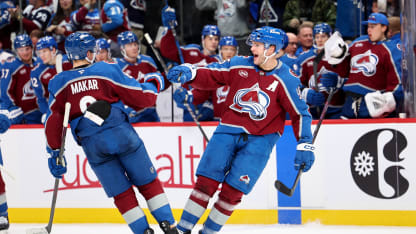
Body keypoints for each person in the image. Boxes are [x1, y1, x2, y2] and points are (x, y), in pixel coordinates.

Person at [167, 26, 315, 234]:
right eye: (252, 44)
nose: (251, 48)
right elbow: (213, 74)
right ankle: (183, 229)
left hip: (261, 140)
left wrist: (305, 143)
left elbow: (301, 114)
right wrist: (191, 73)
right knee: (205, 183)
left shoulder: (287, 79)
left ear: (272, 49)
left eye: (257, 45)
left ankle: (208, 232)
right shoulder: (239, 65)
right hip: (228, 130)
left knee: (233, 192)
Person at [44, 32, 178, 234]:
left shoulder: (58, 82)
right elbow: (141, 99)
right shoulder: (106, 69)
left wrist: (54, 152)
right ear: (89, 52)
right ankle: (169, 226)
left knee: (121, 194)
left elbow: (53, 122)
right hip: (121, 134)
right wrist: (153, 84)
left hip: (93, 145)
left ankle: (143, 231)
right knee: (148, 183)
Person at [324, 13, 403, 119]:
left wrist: (389, 100)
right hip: (349, 101)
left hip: (372, 103)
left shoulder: (391, 49)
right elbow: (344, 68)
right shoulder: (358, 42)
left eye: (373, 27)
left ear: (384, 28)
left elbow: (397, 81)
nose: (369, 30)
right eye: (368, 26)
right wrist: (337, 56)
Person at [173, 36, 239, 121]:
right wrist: (189, 96)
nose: (229, 52)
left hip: (240, 120)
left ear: (236, 51)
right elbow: (203, 92)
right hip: (219, 121)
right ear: (220, 50)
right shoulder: (215, 69)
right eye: (225, 49)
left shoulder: (244, 69)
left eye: (232, 49)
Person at [296, 23, 345, 119]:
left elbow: (351, 80)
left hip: (336, 110)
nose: (320, 40)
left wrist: (341, 81)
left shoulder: (341, 57)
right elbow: (295, 84)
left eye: (323, 36)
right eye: (317, 37)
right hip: (313, 111)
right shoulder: (304, 58)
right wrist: (305, 93)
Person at [114, 31, 163, 122]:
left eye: (135, 44)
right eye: (129, 45)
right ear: (122, 48)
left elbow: (159, 84)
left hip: (150, 111)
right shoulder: (117, 66)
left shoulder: (148, 61)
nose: (134, 48)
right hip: (130, 113)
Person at [0, 34, 42, 124]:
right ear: (16, 51)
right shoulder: (11, 66)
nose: (25, 53)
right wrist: (13, 109)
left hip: (41, 111)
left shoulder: (40, 63)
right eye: (21, 50)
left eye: (27, 49)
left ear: (32, 48)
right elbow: (5, 92)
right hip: (23, 114)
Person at [31, 36, 73, 120]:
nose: (41, 55)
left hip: (73, 106)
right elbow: (40, 98)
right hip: (54, 110)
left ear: (53, 50)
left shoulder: (69, 62)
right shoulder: (36, 72)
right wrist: (46, 113)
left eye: (44, 51)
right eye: (39, 52)